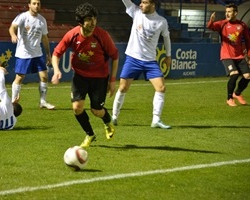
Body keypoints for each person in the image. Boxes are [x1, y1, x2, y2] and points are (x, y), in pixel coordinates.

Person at [51, 2, 119, 147]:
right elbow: (56, 54)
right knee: (77, 107)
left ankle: (107, 121)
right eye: (89, 19)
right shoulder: (72, 35)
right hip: (80, 76)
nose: (93, 22)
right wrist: (57, 70)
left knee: (96, 110)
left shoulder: (102, 36)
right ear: (81, 22)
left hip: (99, 78)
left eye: (94, 18)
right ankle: (90, 135)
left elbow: (115, 56)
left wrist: (112, 80)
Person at [112, 0, 172, 129]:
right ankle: (114, 116)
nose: (141, 4)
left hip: (150, 61)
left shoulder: (161, 21)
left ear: (153, 4)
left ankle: (156, 119)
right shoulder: (136, 13)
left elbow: (166, 38)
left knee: (161, 88)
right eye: (141, 2)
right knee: (123, 88)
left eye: (144, 2)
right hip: (133, 58)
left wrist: (168, 56)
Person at [8, 0, 55, 110]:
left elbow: (45, 38)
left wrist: (48, 54)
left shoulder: (42, 20)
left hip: (37, 54)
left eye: (38, 3)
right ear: (29, 5)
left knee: (44, 76)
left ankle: (43, 102)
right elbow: (12, 27)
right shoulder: (23, 17)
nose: (36, 5)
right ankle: (13, 102)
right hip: (23, 53)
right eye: (34, 3)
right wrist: (13, 35)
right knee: (19, 78)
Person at [207, 3, 250, 106]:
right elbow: (210, 27)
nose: (227, 14)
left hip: (239, 56)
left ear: (235, 13)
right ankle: (229, 98)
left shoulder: (242, 25)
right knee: (234, 74)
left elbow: (248, 41)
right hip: (227, 55)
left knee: (248, 76)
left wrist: (248, 55)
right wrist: (211, 20)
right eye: (226, 12)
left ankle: (237, 93)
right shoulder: (223, 24)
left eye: (229, 12)